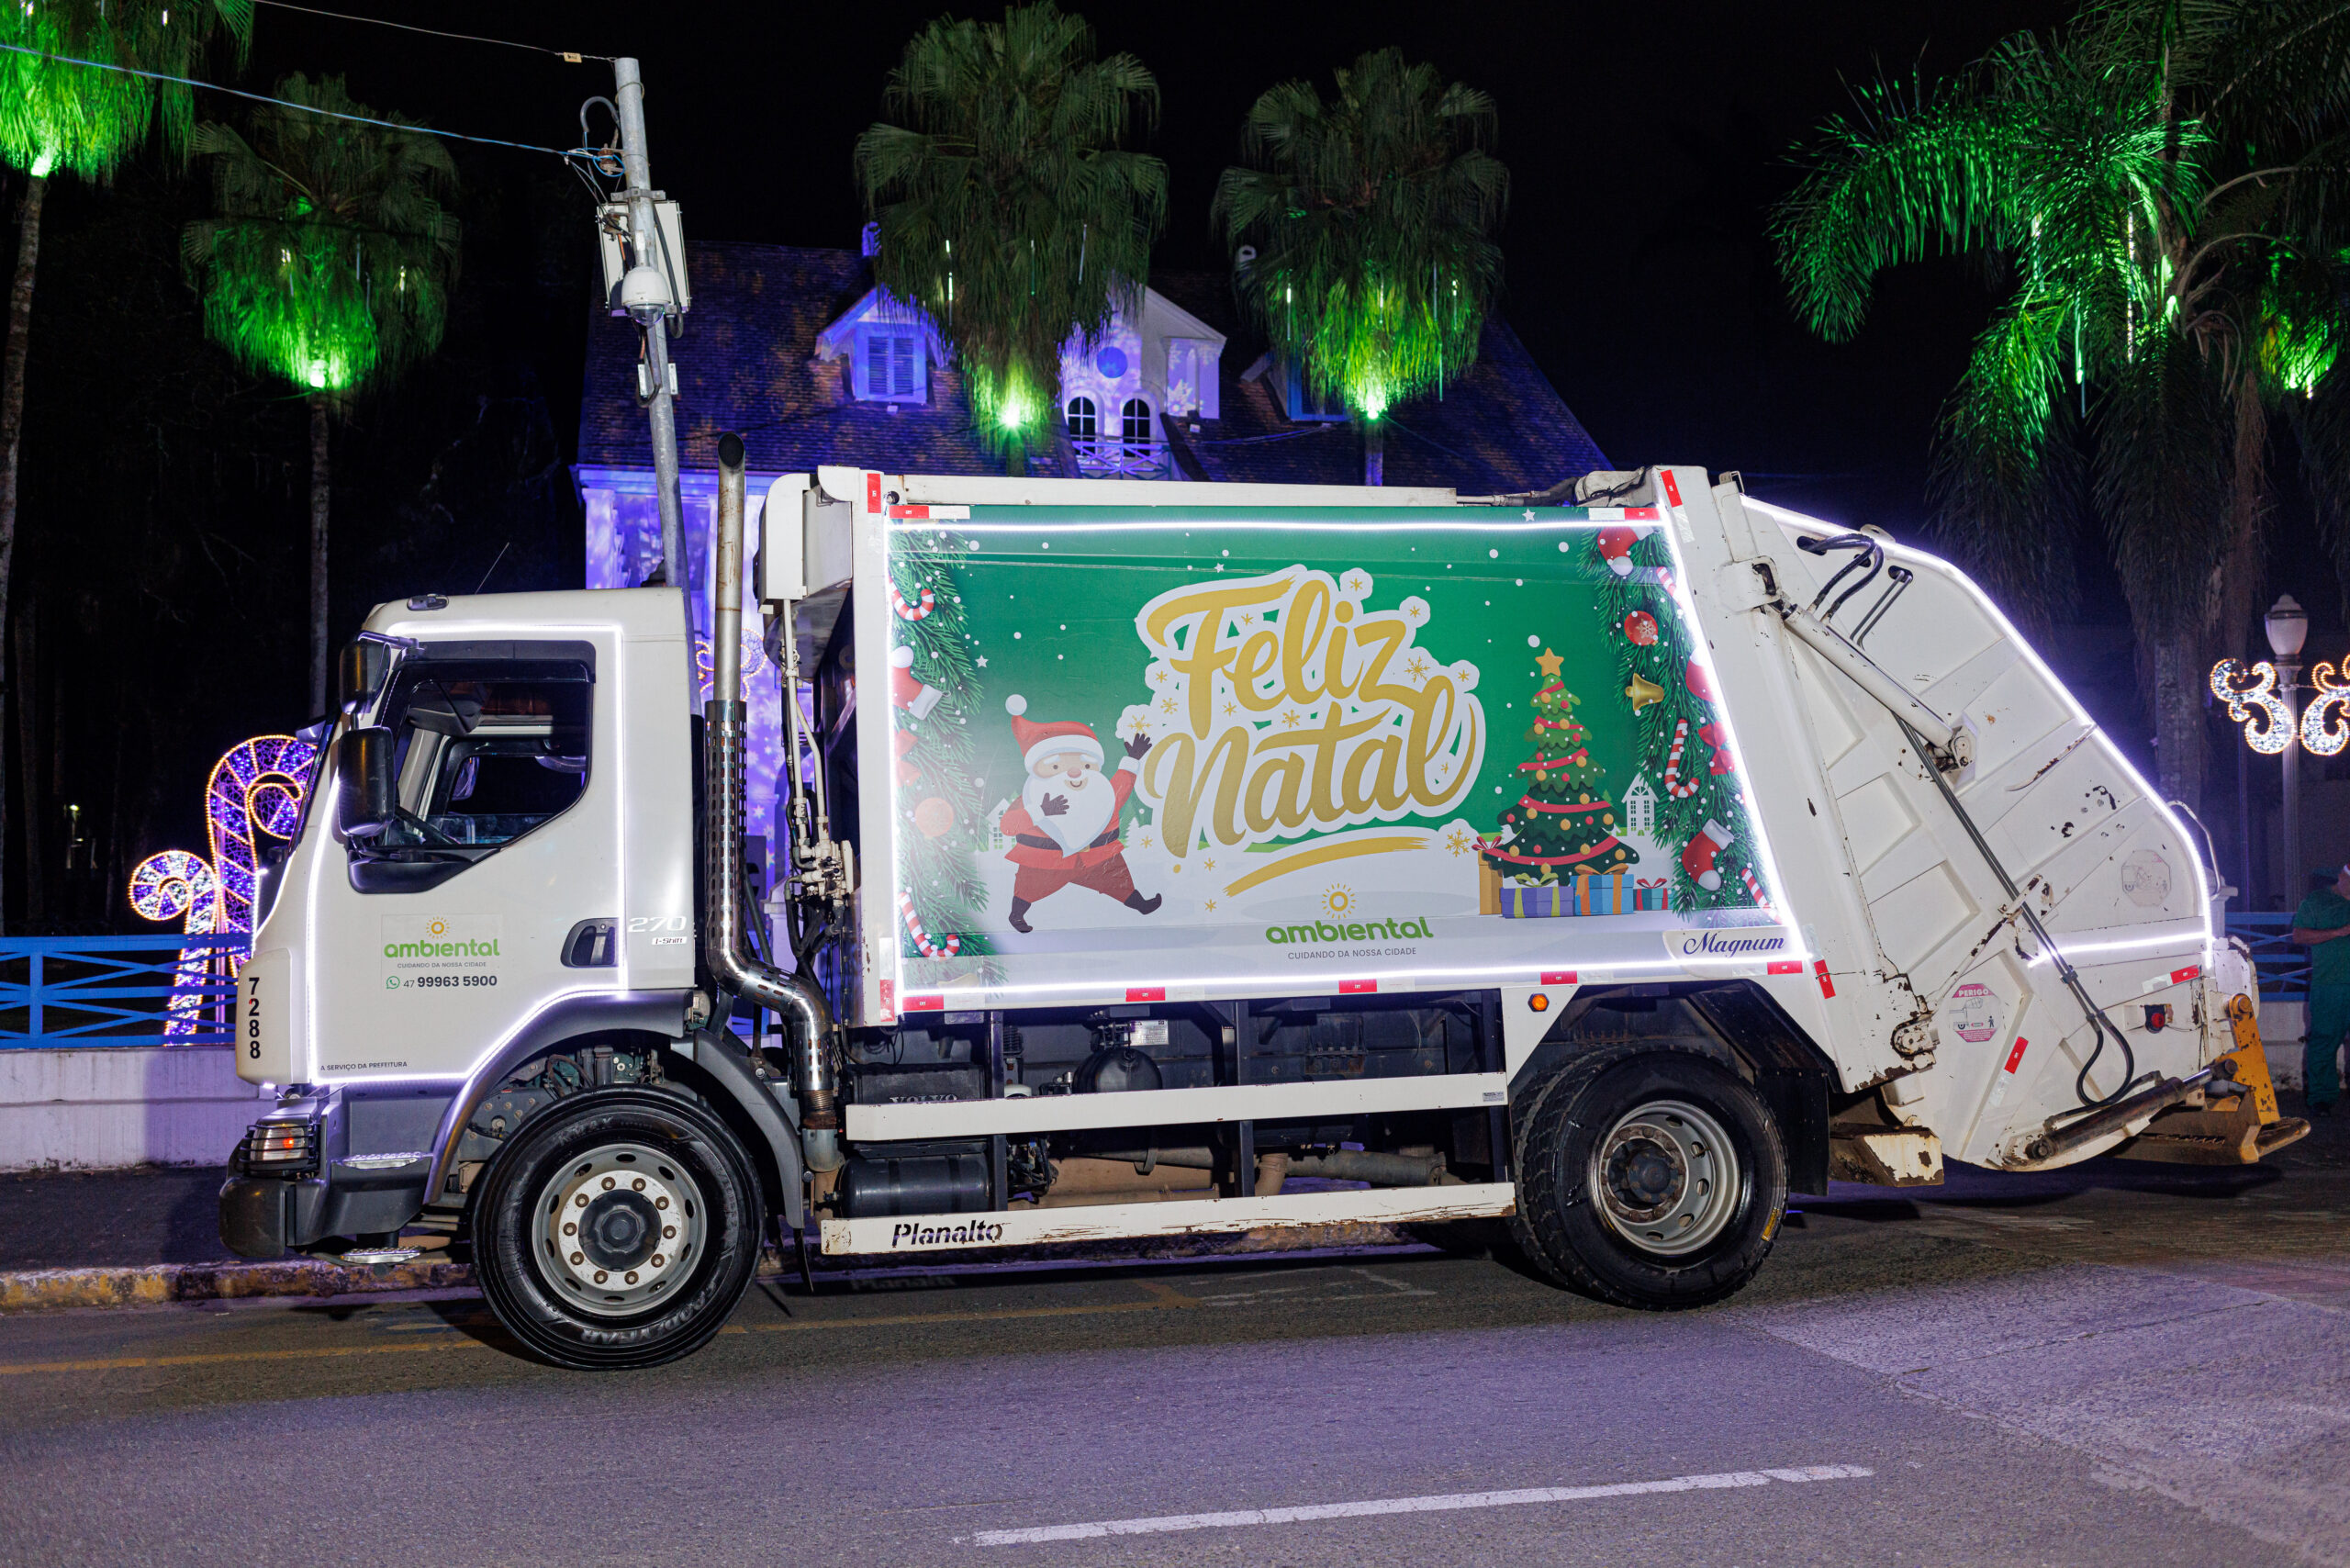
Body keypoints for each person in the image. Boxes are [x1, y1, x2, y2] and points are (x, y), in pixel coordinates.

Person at [2289, 863, 2350, 1115]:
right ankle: (2321, 1099)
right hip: (2330, 984)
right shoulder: (2317, 900)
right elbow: (2299, 936)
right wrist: (2339, 932)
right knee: (2324, 1040)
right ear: (2341, 876)